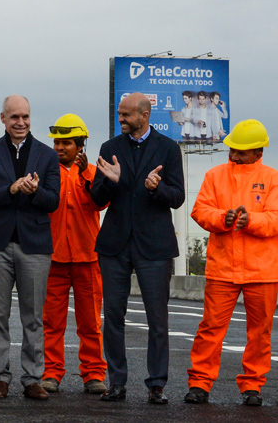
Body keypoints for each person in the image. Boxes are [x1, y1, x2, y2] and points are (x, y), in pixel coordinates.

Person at [91, 92, 184, 404]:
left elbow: (178, 197)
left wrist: (158, 188)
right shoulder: (110, 148)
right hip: (114, 246)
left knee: (157, 320)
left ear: (144, 115)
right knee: (113, 316)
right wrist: (111, 181)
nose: (121, 120)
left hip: (154, 247)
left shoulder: (169, 149)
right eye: (119, 114)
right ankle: (116, 383)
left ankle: (156, 385)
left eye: (126, 115)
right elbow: (96, 199)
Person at [185, 119, 278, 407]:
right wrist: (221, 219)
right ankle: (200, 383)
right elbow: (200, 210)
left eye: (240, 151)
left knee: (259, 331)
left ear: (258, 152)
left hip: (262, 271)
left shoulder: (273, 178)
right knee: (210, 328)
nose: (233, 155)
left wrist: (250, 220)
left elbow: (275, 219)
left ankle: (253, 385)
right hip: (222, 269)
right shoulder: (215, 175)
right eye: (232, 149)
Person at [0, 95, 60, 401]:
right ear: (3, 118)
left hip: (34, 245)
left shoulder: (47, 156)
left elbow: (53, 201)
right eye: (14, 118)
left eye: (25, 117)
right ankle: (0, 377)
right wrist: (10, 189)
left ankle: (32, 377)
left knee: (33, 316)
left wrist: (36, 191)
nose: (20, 122)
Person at [40, 114, 107, 395]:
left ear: (80, 145)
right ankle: (51, 372)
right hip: (52, 257)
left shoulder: (94, 172)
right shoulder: (45, 172)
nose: (59, 147)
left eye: (66, 143)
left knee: (90, 322)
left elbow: (98, 205)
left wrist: (84, 177)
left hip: (87, 257)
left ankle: (93, 373)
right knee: (51, 322)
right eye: (57, 142)